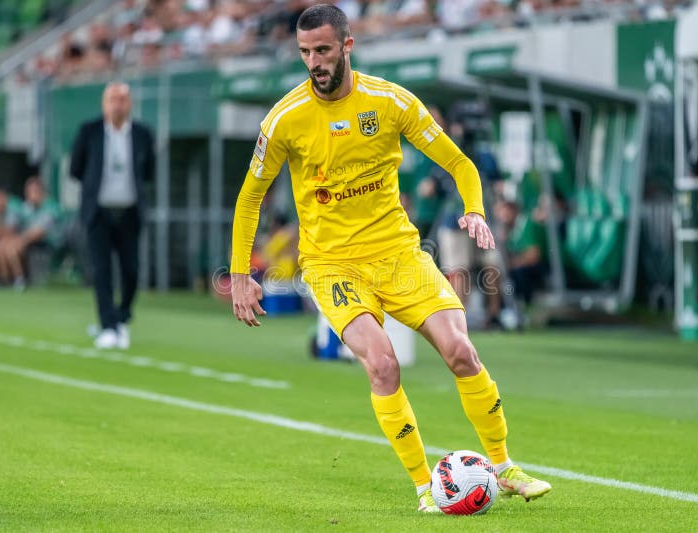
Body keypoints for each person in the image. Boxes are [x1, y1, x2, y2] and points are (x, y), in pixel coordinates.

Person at [229, 4, 551, 513]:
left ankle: (504, 467)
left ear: (348, 46)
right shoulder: (285, 119)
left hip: (397, 252)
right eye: (305, 52)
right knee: (383, 365)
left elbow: (458, 162)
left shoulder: (389, 101)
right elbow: (250, 198)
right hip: (332, 264)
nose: (314, 62)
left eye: (324, 51)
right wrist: (242, 273)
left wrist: (473, 209)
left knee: (462, 352)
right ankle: (428, 489)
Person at [70, 82, 155, 350]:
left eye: (123, 99)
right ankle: (108, 326)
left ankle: (122, 317)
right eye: (113, 99)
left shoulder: (142, 134)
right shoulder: (89, 131)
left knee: (131, 271)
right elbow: (76, 168)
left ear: (130, 104)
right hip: (99, 212)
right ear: (104, 103)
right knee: (102, 271)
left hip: (129, 212)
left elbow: (149, 171)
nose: (118, 104)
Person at [0, 177, 63, 291]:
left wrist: (19, 240)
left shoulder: (51, 206)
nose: (30, 195)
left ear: (41, 191)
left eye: (33, 191)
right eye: (28, 192)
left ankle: (20, 280)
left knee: (13, 247)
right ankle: (6, 280)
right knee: (5, 244)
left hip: (48, 244)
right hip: (30, 242)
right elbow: (14, 227)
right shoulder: (27, 207)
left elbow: (40, 232)